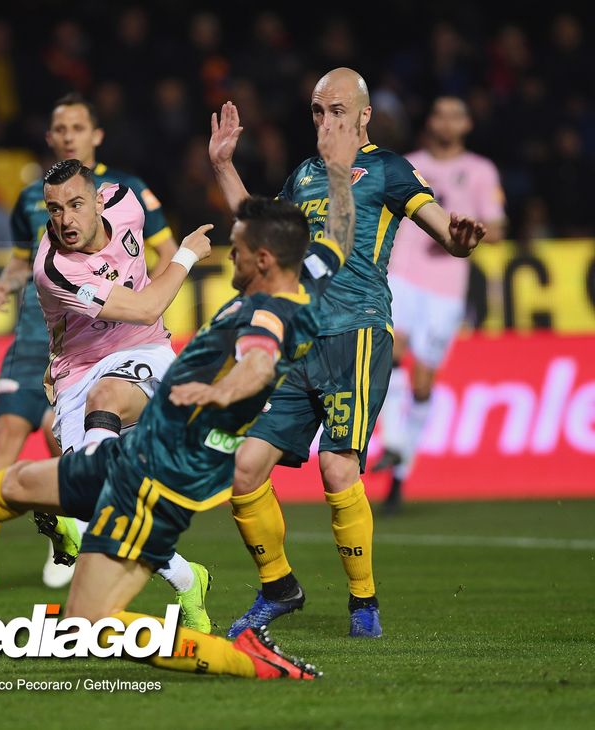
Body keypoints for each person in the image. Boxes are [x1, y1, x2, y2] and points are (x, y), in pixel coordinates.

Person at [0, 115, 375, 680]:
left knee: (63, 571)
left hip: (151, 466)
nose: (232, 256)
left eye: (239, 251)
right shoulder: (301, 282)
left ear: (263, 262)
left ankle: (236, 656)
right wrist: (338, 175)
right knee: (38, 515)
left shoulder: (263, 314)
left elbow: (259, 362)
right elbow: (340, 237)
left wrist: (220, 389)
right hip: (166, 466)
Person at [208, 68, 486, 639]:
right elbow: (257, 232)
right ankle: (279, 587)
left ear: (363, 116)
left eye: (336, 110)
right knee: (244, 468)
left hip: (357, 331)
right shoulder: (305, 175)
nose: (325, 121)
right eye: (317, 110)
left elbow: (442, 232)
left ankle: (363, 606)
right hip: (299, 336)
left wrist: (458, 240)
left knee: (338, 467)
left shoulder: (386, 168)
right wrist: (223, 166)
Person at [0, 93, 177, 593]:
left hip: (109, 337)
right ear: (50, 138)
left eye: (78, 126)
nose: (68, 135)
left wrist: (142, 304)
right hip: (38, 333)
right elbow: (19, 257)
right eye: (60, 128)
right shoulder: (31, 198)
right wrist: (6, 284)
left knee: (63, 438)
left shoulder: (127, 192)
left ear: (97, 135)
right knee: (9, 428)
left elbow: (167, 250)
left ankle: (75, 530)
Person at [29, 158, 214, 629]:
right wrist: (187, 255)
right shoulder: (55, 268)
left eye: (75, 204)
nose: (65, 220)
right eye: (54, 209)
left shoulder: (127, 200)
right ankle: (187, 578)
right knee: (99, 513)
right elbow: (148, 301)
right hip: (77, 373)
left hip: (145, 352)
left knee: (108, 398)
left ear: (97, 199)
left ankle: (78, 499)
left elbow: (149, 309)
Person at [373, 97, 507, 513]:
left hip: (447, 288)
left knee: (424, 381)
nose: (446, 121)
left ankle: (399, 472)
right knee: (391, 352)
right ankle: (393, 443)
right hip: (403, 275)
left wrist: (472, 232)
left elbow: (499, 227)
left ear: (466, 124)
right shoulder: (404, 164)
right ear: (429, 121)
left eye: (455, 114)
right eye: (439, 113)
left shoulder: (482, 170)